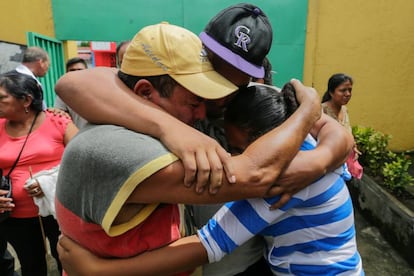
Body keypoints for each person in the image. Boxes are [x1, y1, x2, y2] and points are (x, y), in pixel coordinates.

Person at [55, 3, 353, 275]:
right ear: (201, 54)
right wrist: (169, 128)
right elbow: (73, 84)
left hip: (245, 261)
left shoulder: (258, 104)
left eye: (237, 79)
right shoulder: (173, 100)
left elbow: (339, 137)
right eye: (215, 69)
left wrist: (315, 161)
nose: (220, 93)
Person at [57, 84, 364, 276]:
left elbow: (210, 245)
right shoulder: (302, 139)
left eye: (239, 149)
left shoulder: (286, 178)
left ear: (272, 141)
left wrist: (99, 271)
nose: (232, 157)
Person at [0, 71, 78, 276]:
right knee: (31, 267)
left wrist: (50, 182)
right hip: (16, 218)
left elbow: (83, 163)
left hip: (60, 214)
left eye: (1, 97)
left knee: (67, 262)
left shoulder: (58, 121)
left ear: (26, 99)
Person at [322, 73, 363, 179]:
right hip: (329, 166)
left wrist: (353, 146)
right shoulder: (322, 111)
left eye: (350, 90)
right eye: (343, 90)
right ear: (331, 92)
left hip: (345, 163)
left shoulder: (344, 110)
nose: (348, 94)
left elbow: (347, 131)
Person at [54, 57, 89, 128]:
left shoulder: (97, 89)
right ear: (67, 73)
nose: (76, 73)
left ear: (86, 71)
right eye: (72, 70)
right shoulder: (63, 94)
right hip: (76, 136)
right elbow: (60, 115)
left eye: (79, 70)